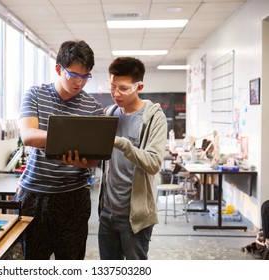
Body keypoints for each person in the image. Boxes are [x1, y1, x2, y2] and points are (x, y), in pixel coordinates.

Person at [16, 40, 103, 260]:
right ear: (58, 69)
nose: (79, 83)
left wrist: (79, 161)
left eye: (85, 77)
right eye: (73, 75)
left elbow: (94, 159)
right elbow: (28, 136)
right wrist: (73, 140)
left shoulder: (93, 108)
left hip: (73, 198)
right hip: (36, 195)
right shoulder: (35, 94)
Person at [98, 57, 167, 260]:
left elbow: (154, 163)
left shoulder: (154, 117)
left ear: (139, 86)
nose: (116, 93)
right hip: (108, 212)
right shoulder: (109, 113)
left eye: (123, 88)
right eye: (112, 87)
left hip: (134, 217)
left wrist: (123, 144)